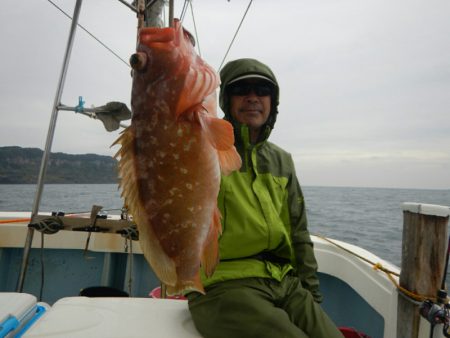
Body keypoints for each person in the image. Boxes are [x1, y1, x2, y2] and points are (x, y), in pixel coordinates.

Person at [187, 58, 343, 338]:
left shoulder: (282, 161)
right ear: (225, 99)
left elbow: (298, 233)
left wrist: (312, 297)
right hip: (222, 283)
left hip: (284, 281)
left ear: (273, 101)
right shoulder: (201, 148)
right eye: (241, 90)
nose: (252, 98)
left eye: (262, 90)